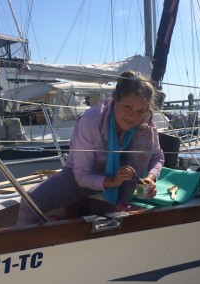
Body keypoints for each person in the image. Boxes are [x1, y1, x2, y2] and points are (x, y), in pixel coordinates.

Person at [16, 70, 165, 226]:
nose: (132, 117)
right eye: (127, 107)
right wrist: (110, 181)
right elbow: (81, 176)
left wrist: (150, 178)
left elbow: (157, 156)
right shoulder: (91, 121)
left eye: (140, 111)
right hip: (84, 176)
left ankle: (123, 202)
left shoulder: (145, 119)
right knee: (30, 200)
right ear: (115, 99)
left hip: (123, 179)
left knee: (145, 131)